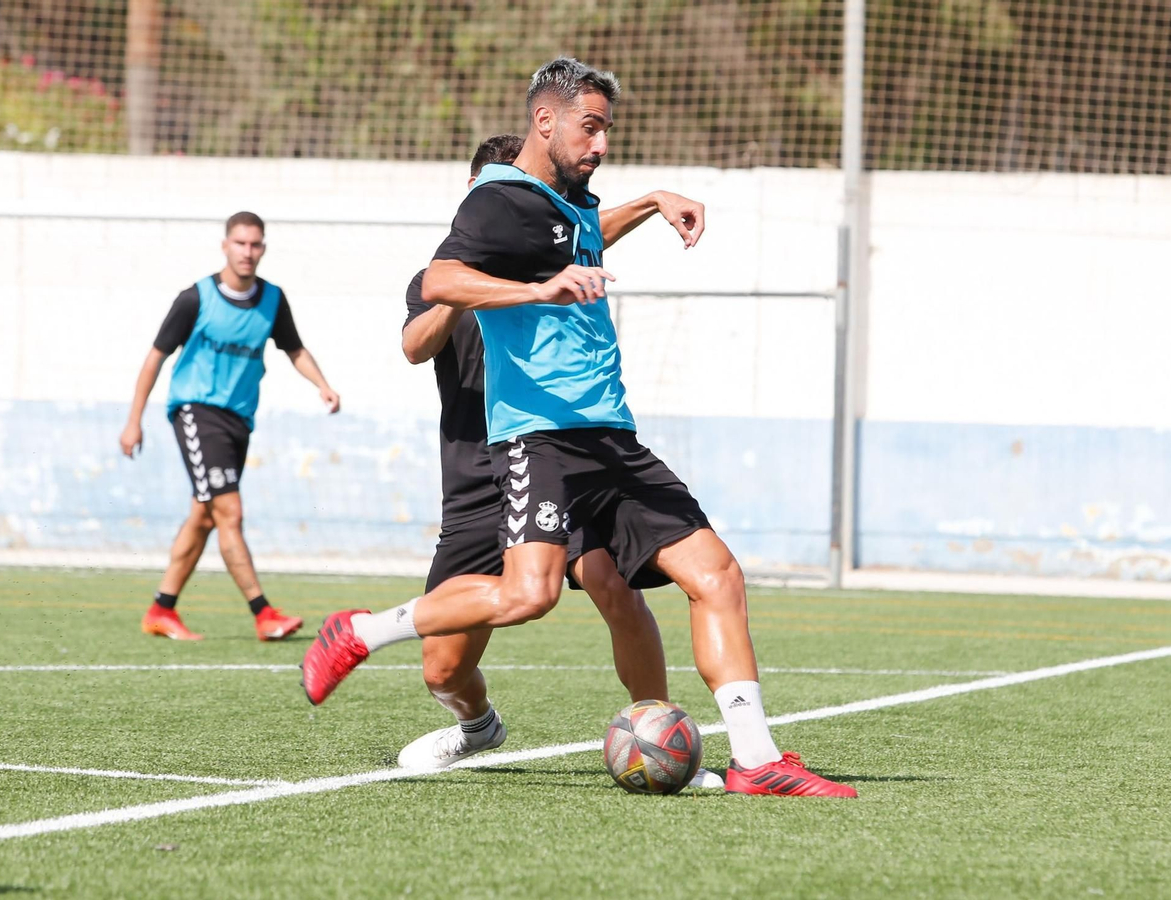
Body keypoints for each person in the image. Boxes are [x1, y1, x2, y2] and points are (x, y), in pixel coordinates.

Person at [304, 59, 855, 798]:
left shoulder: (567, 206)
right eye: (590, 127)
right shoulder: (498, 199)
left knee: (715, 574)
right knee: (527, 597)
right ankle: (362, 633)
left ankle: (756, 758)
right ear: (546, 122)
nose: (601, 142)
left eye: (606, 129)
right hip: (541, 441)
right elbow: (436, 285)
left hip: (611, 438)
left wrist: (654, 201)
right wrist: (534, 289)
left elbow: (587, 233)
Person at [397, 134, 719, 778]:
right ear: (479, 197)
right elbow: (414, 346)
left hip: (553, 461)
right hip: (476, 483)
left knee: (616, 588)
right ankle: (477, 725)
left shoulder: (558, 262)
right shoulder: (446, 275)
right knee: (442, 665)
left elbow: (589, 230)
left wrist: (653, 202)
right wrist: (475, 291)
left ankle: (659, 732)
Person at [120, 211, 340, 642]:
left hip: (238, 420)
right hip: (196, 412)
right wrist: (134, 422)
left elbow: (294, 349)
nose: (248, 252)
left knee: (203, 517)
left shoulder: (273, 299)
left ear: (263, 248)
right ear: (225, 245)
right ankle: (263, 613)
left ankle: (161, 609)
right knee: (229, 512)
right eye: (240, 243)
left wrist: (323, 386)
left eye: (255, 244)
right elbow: (155, 357)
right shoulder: (196, 298)